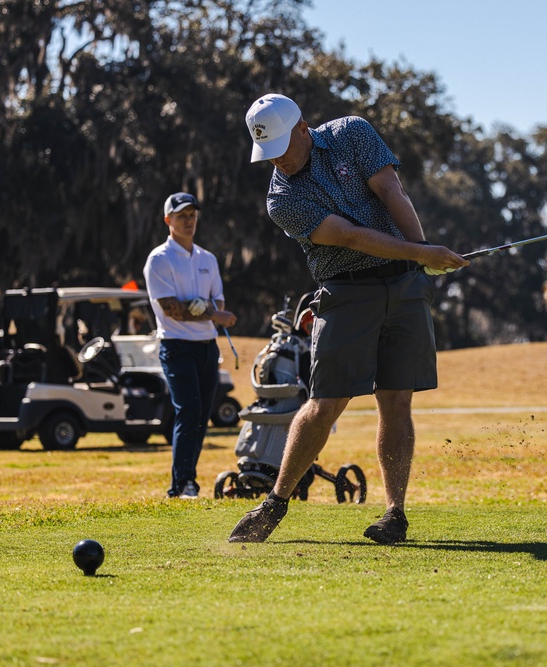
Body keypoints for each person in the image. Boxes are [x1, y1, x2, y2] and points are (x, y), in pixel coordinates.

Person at [228, 93, 468, 544]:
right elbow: (352, 238)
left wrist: (423, 263)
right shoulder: (282, 199)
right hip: (346, 291)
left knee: (396, 401)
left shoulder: (351, 133)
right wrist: (422, 253)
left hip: (403, 286)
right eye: (268, 151)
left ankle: (394, 514)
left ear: (303, 128)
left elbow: (392, 192)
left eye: (282, 145)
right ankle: (275, 502)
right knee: (324, 405)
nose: (276, 159)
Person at [145, 192, 237, 498]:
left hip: (207, 347)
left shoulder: (207, 259)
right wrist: (211, 312)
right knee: (188, 410)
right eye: (182, 215)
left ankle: (187, 479)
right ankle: (182, 483)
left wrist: (204, 310)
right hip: (176, 345)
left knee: (201, 414)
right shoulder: (159, 259)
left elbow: (216, 300)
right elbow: (172, 308)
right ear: (167, 220)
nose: (189, 220)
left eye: (192, 215)